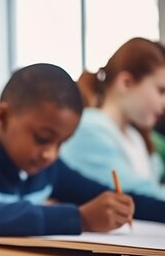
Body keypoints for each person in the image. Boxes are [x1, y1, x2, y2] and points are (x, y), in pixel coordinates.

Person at [0, 63, 165, 237]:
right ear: (3, 116)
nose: (50, 153)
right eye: (43, 139)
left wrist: (119, 207)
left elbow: (101, 195)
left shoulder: (49, 168)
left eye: (62, 143)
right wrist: (77, 219)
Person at [61, 38, 165, 199]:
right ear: (126, 83)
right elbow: (138, 195)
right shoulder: (89, 129)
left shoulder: (135, 136)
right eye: (161, 91)